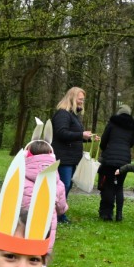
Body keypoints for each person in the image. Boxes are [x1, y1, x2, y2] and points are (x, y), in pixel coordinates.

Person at [50, 87, 98, 222]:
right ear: (71, 98)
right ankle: (56, 214)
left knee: (67, 186)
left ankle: (59, 213)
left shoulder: (73, 115)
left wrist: (88, 138)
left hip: (71, 158)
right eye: (80, 99)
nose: (82, 102)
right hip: (63, 157)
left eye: (83, 99)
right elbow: (61, 133)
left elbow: (73, 135)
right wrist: (81, 134)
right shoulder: (63, 114)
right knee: (63, 186)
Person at [19, 139, 68, 254]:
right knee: (42, 254)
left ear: (25, 156)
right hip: (48, 225)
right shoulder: (57, 182)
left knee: (21, 254)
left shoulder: (19, 179)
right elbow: (61, 208)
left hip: (21, 227)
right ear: (52, 156)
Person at [97, 104, 134, 222]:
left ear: (119, 112)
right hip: (124, 160)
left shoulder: (112, 123)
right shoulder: (133, 127)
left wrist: (105, 149)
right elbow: (131, 143)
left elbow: (104, 140)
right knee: (119, 186)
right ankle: (119, 215)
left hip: (110, 159)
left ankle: (107, 214)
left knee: (109, 185)